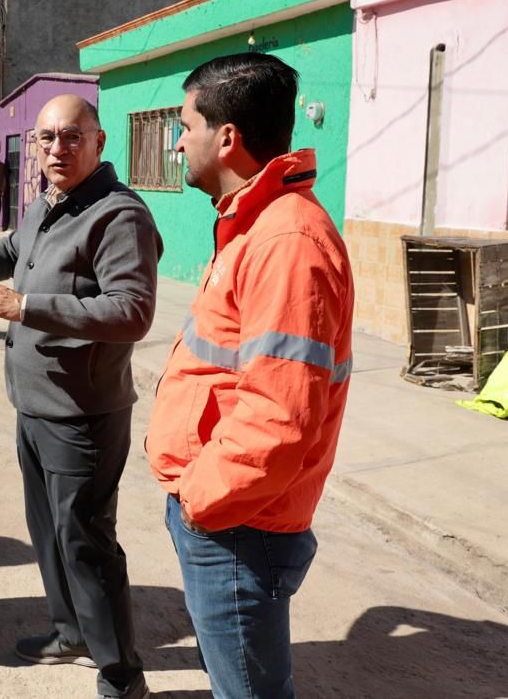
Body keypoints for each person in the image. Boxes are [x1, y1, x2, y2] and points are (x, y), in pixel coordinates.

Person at [0, 95, 161, 699]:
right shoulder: (48, 204)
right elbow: (14, 247)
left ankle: (122, 676)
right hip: (34, 403)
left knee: (86, 543)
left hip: (83, 413)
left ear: (98, 142)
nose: (56, 149)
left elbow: (131, 310)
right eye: (45, 138)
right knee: (50, 534)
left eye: (70, 137)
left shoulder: (119, 216)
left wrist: (26, 306)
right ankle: (70, 633)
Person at [146, 54, 355, 698]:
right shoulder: (253, 223)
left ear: (227, 136)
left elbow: (279, 419)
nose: (178, 140)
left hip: (238, 524)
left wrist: (201, 504)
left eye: (185, 124)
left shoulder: (285, 242)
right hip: (228, 514)